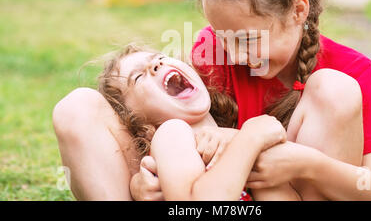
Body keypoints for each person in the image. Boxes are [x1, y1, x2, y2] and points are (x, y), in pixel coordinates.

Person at [136, 0, 371, 201]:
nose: (234, 55)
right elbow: (176, 140)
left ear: (298, 10)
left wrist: (309, 164)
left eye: (248, 39)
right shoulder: (212, 55)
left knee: (335, 88)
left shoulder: (354, 71)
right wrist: (145, 179)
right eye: (221, 36)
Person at [53, 43, 296, 200]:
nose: (156, 64)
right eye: (138, 77)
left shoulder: (238, 135)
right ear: (139, 121)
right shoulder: (173, 134)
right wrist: (251, 139)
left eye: (160, 57)